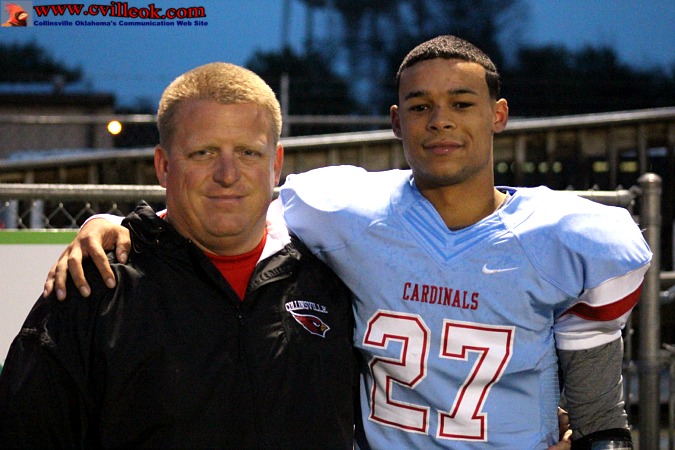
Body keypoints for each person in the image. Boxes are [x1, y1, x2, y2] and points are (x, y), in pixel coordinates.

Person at [41, 35, 641, 449]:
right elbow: (230, 208)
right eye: (420, 106)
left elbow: (597, 403)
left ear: (499, 115)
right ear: (395, 120)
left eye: (461, 103)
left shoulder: (568, 236)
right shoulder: (343, 210)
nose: (440, 120)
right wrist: (124, 226)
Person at [0, 62, 356, 448]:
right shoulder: (95, 290)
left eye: (248, 152)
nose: (227, 174)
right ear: (163, 166)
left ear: (276, 165)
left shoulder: (334, 279)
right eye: (203, 153)